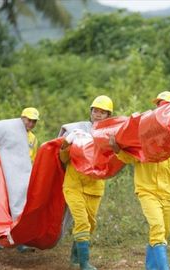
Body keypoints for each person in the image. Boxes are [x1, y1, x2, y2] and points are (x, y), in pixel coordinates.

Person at [109, 91, 170, 270]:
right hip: (147, 191)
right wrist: (117, 149)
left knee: (163, 233)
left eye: (166, 106)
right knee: (158, 229)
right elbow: (129, 157)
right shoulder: (143, 135)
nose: (162, 108)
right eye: (160, 105)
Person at [59, 95, 113, 270]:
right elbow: (63, 158)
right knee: (82, 222)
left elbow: (113, 160)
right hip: (73, 184)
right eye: (95, 111)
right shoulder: (77, 130)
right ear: (90, 112)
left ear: (108, 115)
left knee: (90, 224)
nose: (98, 114)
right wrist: (67, 144)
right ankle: (84, 263)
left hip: (95, 186)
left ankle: (75, 257)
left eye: (102, 112)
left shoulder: (109, 134)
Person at [0, 107, 39, 252]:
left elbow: (33, 158)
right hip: (6, 174)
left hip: (23, 176)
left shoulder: (33, 139)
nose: (30, 124)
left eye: (34, 122)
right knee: (3, 205)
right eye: (28, 120)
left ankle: (20, 241)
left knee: (21, 207)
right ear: (21, 119)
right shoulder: (7, 132)